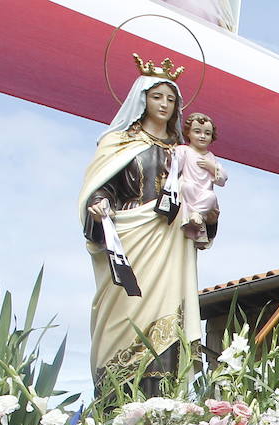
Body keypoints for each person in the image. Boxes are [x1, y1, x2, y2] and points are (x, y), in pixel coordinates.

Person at [79, 60, 201, 389]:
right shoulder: (118, 144)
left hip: (170, 241)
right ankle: (116, 396)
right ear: (143, 99)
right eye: (157, 96)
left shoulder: (183, 153)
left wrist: (201, 220)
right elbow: (101, 186)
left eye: (171, 99)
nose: (164, 105)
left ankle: (164, 407)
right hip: (130, 237)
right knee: (125, 310)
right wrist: (99, 203)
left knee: (167, 315)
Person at [175, 113, 227, 249]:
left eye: (207, 133)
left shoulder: (211, 157)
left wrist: (212, 167)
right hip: (186, 194)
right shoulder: (183, 151)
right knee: (187, 187)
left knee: (210, 197)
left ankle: (197, 214)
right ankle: (191, 216)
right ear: (188, 133)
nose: (202, 136)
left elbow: (222, 179)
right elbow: (173, 166)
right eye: (197, 132)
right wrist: (170, 157)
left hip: (204, 193)